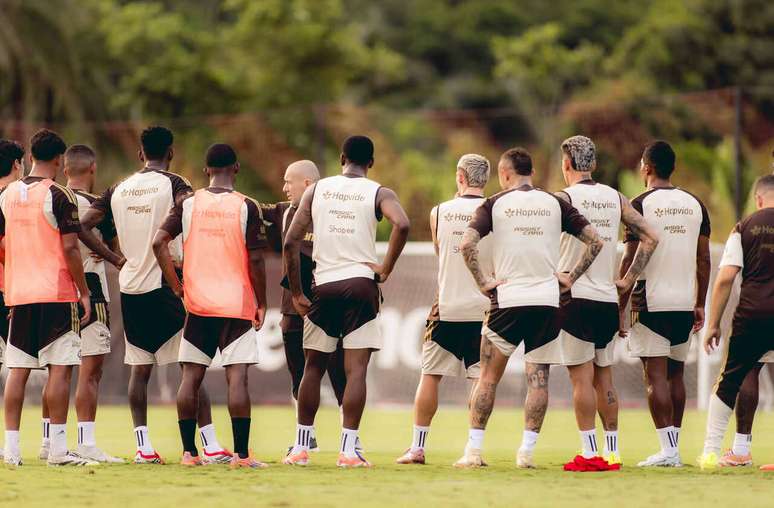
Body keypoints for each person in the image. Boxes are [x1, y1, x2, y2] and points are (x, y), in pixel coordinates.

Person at [79, 126, 227, 464]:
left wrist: (116, 258)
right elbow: (189, 214)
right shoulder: (175, 184)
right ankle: (209, 444)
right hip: (166, 285)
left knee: (139, 370)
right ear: (171, 153)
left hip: (130, 287)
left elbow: (83, 225)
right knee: (192, 368)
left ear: (139, 154)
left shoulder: (118, 189)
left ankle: (143, 447)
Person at [453, 147, 603, 468]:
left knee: (488, 379)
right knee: (538, 381)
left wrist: (482, 281)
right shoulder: (555, 202)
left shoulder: (494, 204)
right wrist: (570, 277)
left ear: (505, 174)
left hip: (507, 300)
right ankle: (526, 453)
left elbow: (466, 243)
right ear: (531, 172)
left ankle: (474, 451)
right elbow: (596, 240)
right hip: (547, 302)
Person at [283, 135, 410, 467]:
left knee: (313, 366)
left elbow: (290, 242)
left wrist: (297, 292)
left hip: (323, 287)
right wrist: (385, 269)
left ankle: (300, 448)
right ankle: (349, 451)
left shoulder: (316, 190)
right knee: (356, 371)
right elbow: (403, 224)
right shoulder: (379, 192)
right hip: (361, 287)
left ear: (341, 158)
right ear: (370, 163)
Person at [544, 136, 659, 471]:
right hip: (608, 300)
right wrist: (627, 280)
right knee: (603, 378)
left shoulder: (561, 199)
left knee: (580, 379)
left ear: (566, 164)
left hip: (574, 299)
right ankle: (613, 450)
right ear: (592, 164)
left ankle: (589, 452)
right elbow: (651, 236)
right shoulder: (615, 197)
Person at [153, 143, 269, 468]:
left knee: (190, 377)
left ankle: (189, 454)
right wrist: (262, 302)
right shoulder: (247, 206)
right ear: (237, 168)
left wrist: (177, 286)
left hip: (198, 303)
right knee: (237, 379)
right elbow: (257, 260)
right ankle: (242, 456)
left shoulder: (188, 204)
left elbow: (158, 241)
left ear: (206, 171)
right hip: (236, 303)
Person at [1, 129, 95, 466]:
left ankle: (11, 450)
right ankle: (56, 450)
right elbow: (70, 246)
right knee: (60, 370)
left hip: (19, 293)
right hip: (56, 294)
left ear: (29, 157)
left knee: (18, 370)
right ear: (59, 160)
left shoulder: (7, 194)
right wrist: (84, 292)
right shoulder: (60, 194)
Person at [396, 154, 492, 465]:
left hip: (448, 305)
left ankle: (417, 447)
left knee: (430, 375)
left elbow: (442, 254)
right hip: (485, 308)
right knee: (480, 380)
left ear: (460, 177)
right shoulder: (496, 210)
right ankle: (472, 449)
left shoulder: (440, 212)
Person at [620, 140, 711, 467]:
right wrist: (700, 302)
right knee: (676, 374)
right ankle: (673, 449)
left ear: (646, 167)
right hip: (685, 301)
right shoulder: (696, 204)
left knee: (654, 376)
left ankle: (667, 451)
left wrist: (621, 301)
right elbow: (704, 259)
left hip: (651, 301)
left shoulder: (639, 204)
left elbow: (631, 257)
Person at [262, 160, 348, 453]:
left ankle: (349, 437)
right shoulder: (283, 212)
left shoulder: (333, 213)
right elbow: (249, 207)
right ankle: (305, 437)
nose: (284, 187)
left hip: (327, 306)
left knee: (339, 373)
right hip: (292, 311)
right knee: (298, 375)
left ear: (308, 184)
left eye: (289, 181)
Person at [43, 145, 123, 463]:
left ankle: (50, 441)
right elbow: (112, 245)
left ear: (65, 170)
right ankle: (85, 442)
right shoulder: (98, 207)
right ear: (93, 169)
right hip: (93, 290)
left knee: (57, 371)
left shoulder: (51, 199)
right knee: (91, 371)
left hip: (57, 290)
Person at [698, 175, 774, 471]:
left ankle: (713, 453)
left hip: (752, 315)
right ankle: (740, 450)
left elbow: (725, 278)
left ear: (758, 199)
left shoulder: (745, 226)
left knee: (734, 377)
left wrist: (713, 323)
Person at [0, 139, 24, 461]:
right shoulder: (12, 201)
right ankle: (50, 443)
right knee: (23, 367)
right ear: (17, 165)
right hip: (10, 292)